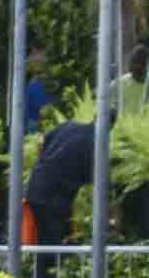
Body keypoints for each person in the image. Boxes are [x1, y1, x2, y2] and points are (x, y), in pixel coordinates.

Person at [19, 110, 103, 262]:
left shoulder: (69, 126)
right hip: (55, 198)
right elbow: (95, 179)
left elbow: (42, 142)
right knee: (57, 244)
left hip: (37, 187)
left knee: (47, 241)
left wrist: (47, 163)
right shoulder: (95, 144)